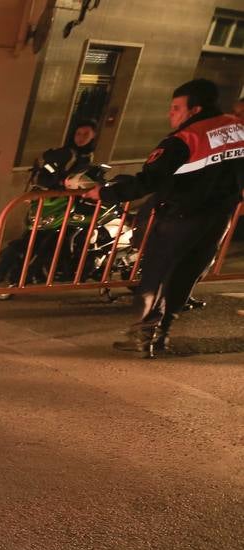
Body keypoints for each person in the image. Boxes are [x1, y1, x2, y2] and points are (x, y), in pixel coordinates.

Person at [84, 78, 244, 357]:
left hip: (180, 218)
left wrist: (105, 193)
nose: (170, 114)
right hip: (219, 220)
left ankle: (143, 336)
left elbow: (148, 181)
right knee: (185, 276)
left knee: (156, 277)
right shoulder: (237, 129)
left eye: (176, 108)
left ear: (194, 110)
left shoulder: (185, 139)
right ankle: (162, 336)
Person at [0, 121, 99, 290]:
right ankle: (22, 274)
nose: (81, 138)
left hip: (69, 205)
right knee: (37, 238)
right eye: (78, 134)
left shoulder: (88, 156)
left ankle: (49, 272)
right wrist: (57, 183)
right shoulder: (66, 154)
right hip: (53, 204)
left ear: (94, 136)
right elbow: (46, 176)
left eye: (86, 134)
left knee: (66, 236)